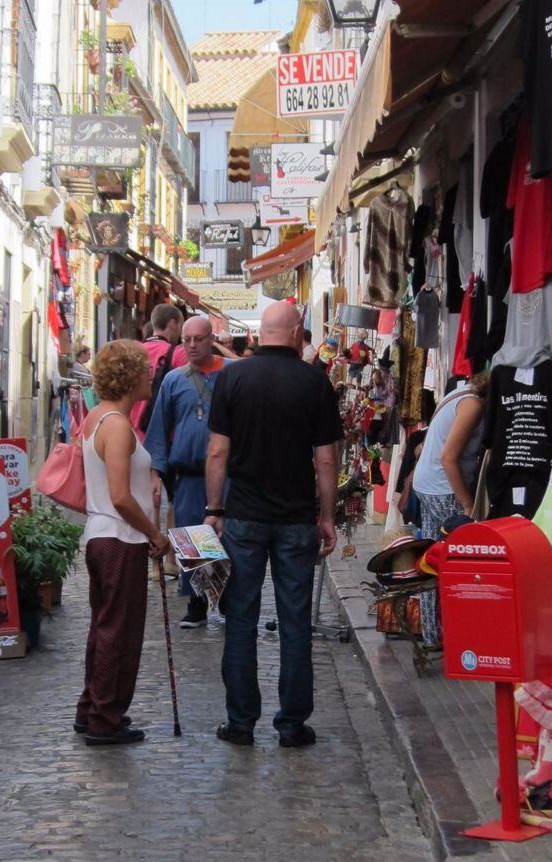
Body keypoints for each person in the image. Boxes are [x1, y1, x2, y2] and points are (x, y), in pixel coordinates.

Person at [204, 302, 344, 748]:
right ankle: (291, 725)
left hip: (243, 516)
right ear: (299, 332)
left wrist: (214, 508)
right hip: (296, 519)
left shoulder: (232, 378)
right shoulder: (314, 382)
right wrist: (327, 515)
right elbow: (325, 458)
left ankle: (241, 723)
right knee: (295, 620)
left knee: (241, 619)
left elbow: (217, 453)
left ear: (261, 333)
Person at [74, 340, 171, 746]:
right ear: (131, 376)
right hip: (119, 536)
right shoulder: (115, 425)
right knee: (119, 631)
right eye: (146, 369)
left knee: (104, 626)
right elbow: (119, 494)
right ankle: (105, 718)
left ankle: (92, 709)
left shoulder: (100, 417)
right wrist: (154, 533)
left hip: (105, 534)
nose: (152, 375)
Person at [145, 316, 231, 628]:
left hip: (231, 475)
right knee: (194, 541)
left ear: (212, 339)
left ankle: (228, 602)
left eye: (198, 339)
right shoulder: (173, 380)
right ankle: (197, 603)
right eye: (186, 340)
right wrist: (156, 472)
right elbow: (158, 429)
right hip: (191, 475)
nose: (192, 345)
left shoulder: (233, 374)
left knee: (228, 540)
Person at [411, 371, 488, 540]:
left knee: (436, 551)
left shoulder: (457, 394)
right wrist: (468, 504)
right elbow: (448, 459)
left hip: (428, 484)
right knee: (458, 548)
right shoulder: (472, 405)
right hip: (443, 488)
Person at [130, 303, 187, 438]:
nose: (180, 332)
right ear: (173, 323)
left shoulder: (132, 351)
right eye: (181, 326)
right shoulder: (178, 354)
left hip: (130, 434)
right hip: (161, 436)